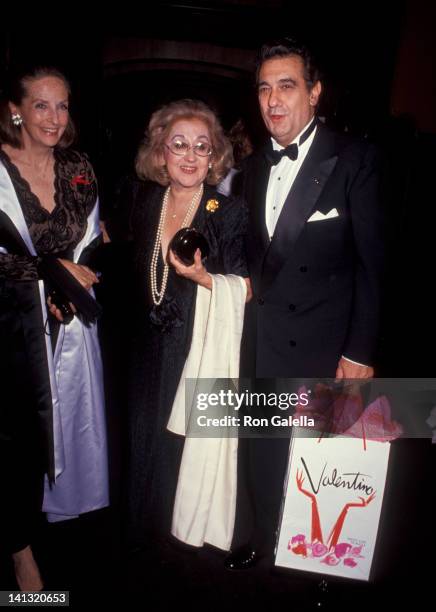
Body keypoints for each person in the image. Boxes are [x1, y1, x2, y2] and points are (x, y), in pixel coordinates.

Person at [225, 38, 384, 569]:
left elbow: (375, 267)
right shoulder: (249, 169)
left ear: (314, 93)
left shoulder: (354, 159)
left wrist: (360, 351)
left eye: (287, 86)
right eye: (264, 88)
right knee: (262, 452)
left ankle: (318, 561)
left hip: (323, 346)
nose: (273, 101)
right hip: (262, 343)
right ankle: (261, 535)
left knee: (320, 464)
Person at [118, 99, 250, 554]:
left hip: (193, 347)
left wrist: (204, 279)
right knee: (139, 442)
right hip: (142, 347)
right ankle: (139, 540)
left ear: (214, 157)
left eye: (202, 147)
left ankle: (176, 541)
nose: (190, 156)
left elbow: (246, 287)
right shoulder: (145, 200)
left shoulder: (226, 212)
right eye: (179, 145)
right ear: (160, 153)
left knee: (179, 449)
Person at [0, 66, 108, 589]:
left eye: (62, 106)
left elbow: (88, 244)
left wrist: (75, 273)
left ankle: (59, 521)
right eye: (41, 105)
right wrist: (50, 272)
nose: (53, 118)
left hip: (68, 327)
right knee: (16, 440)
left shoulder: (78, 166)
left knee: (66, 429)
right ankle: (19, 552)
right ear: (17, 109)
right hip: (10, 325)